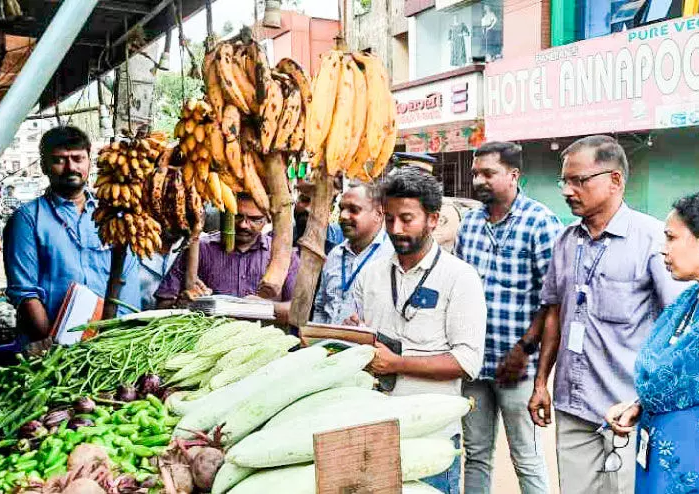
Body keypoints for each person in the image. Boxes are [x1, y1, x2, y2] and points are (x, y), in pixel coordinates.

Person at [525, 135, 686, 494]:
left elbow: (677, 324)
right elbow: (554, 313)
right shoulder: (566, 241)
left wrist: (649, 398)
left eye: (578, 181)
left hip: (629, 412)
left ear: (615, 180)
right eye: (564, 181)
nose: (567, 190)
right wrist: (540, 383)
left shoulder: (652, 240)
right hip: (573, 409)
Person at [605, 189, 699, 493]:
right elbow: (689, 379)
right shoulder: (691, 300)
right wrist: (642, 404)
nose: (663, 250)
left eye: (671, 238)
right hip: (659, 473)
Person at [349, 168, 487, 494]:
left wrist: (396, 364)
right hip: (376, 431)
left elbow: (466, 362)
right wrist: (354, 338)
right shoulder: (370, 275)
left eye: (407, 219)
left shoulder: (460, 278)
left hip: (431, 439)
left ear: (433, 219)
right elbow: (366, 343)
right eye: (389, 219)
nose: (396, 229)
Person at [455, 142, 562, 494]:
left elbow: (553, 300)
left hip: (517, 367)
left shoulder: (540, 222)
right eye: (475, 174)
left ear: (514, 175)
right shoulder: (470, 223)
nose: (478, 181)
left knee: (526, 458)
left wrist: (524, 350)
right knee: (476, 455)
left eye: (488, 173)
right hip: (474, 364)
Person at [3, 126, 140, 345]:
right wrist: (55, 345)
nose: (71, 167)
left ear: (89, 162)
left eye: (78, 159)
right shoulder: (27, 219)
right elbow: (25, 293)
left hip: (113, 345)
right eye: (60, 160)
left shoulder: (113, 214)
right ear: (44, 166)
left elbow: (128, 283)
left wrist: (119, 340)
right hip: (53, 349)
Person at [155, 193, 300, 323]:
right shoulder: (200, 249)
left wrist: (262, 307)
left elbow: (298, 311)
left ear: (267, 219)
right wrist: (181, 305)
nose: (243, 225)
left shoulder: (283, 256)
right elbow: (162, 304)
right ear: (225, 215)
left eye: (254, 219)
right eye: (237, 216)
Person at [312, 180, 393, 324]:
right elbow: (321, 307)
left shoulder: (392, 257)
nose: (343, 216)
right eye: (341, 208)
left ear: (378, 214)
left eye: (354, 210)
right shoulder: (334, 255)